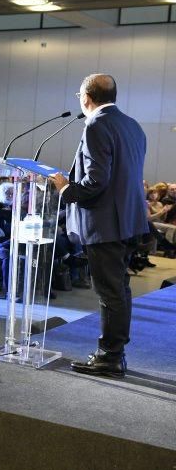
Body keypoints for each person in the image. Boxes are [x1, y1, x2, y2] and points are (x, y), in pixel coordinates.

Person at [50, 73, 147, 378]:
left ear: (86, 97)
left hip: (105, 223)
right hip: (129, 220)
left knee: (110, 292)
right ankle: (114, 353)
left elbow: (96, 181)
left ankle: (109, 357)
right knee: (119, 289)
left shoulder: (96, 124)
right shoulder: (132, 125)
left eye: (79, 94)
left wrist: (66, 188)